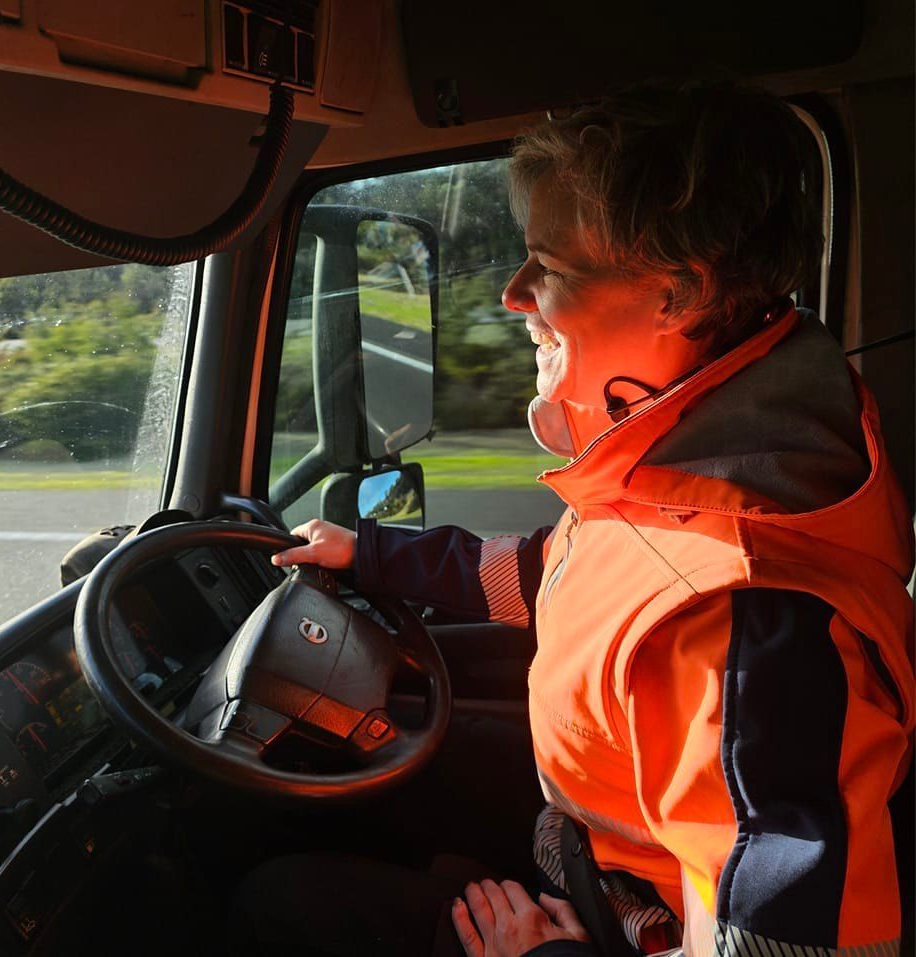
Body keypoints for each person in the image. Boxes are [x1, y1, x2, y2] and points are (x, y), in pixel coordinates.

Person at [259, 81, 914, 957]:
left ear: (677, 296)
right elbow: (565, 574)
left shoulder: (747, 622)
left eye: (552, 268)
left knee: (287, 904)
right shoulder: (705, 454)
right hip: (593, 842)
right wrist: (374, 554)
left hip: (630, 921)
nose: (514, 294)